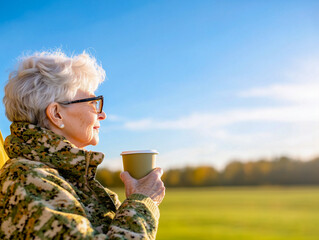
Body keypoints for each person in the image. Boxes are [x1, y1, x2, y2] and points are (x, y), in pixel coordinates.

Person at [0, 50, 165, 239]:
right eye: (93, 103)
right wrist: (143, 202)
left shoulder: (67, 178)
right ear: (56, 114)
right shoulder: (27, 180)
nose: (102, 114)